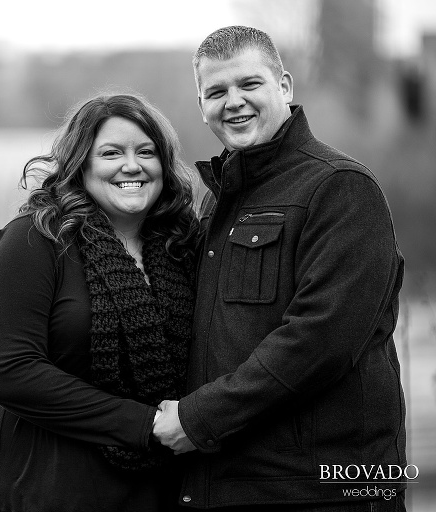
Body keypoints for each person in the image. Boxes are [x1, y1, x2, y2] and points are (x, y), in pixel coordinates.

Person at [152, 26, 407, 510]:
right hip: (231, 484)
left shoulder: (340, 188)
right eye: (217, 92)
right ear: (201, 104)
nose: (234, 102)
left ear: (284, 87)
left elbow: (319, 342)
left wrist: (198, 419)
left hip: (322, 492)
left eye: (250, 85)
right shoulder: (217, 202)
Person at [0, 92, 199, 512]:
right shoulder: (37, 239)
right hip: (39, 483)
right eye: (111, 153)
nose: (132, 165)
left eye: (146, 152)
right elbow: (8, 369)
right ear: (81, 164)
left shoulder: (181, 248)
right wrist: (143, 425)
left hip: (149, 487)